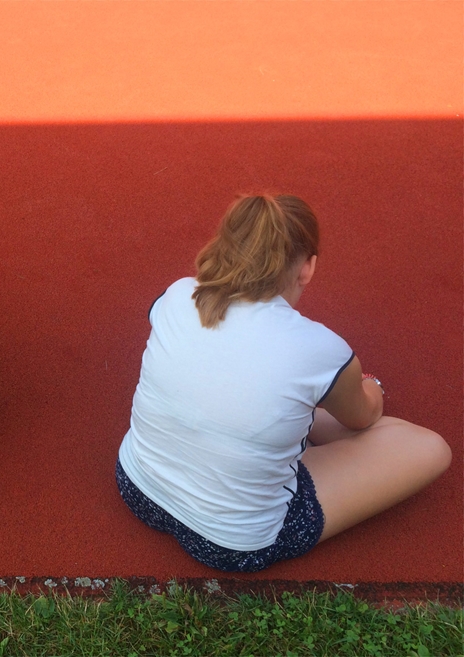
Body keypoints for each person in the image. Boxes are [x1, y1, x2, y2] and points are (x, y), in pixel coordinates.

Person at [116, 194, 451, 572]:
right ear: (307, 268)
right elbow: (364, 417)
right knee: (427, 447)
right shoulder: (320, 348)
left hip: (136, 488)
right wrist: (371, 384)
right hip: (230, 545)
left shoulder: (178, 293)